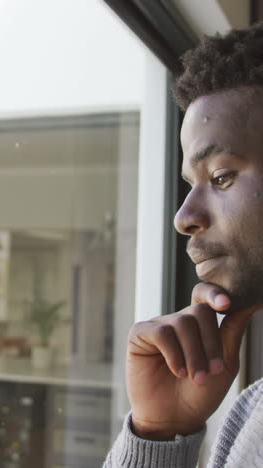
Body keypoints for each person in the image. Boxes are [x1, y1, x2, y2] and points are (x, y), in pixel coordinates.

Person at [103, 22, 263, 467]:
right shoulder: (251, 411)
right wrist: (157, 432)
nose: (183, 218)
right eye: (191, 184)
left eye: (220, 177)